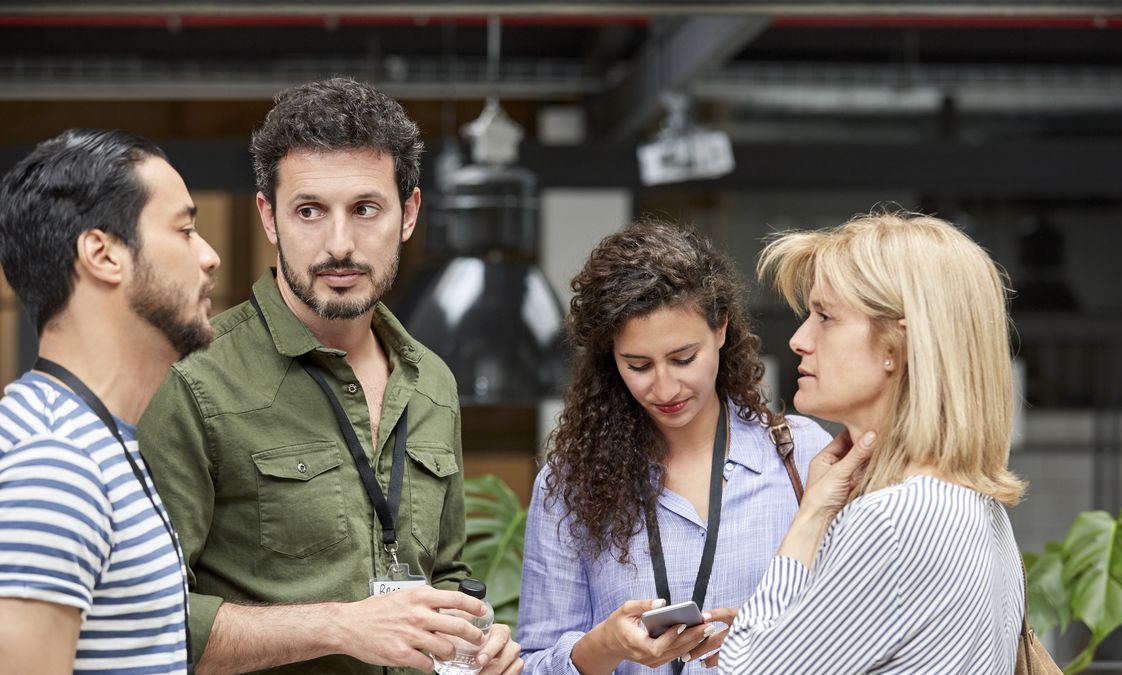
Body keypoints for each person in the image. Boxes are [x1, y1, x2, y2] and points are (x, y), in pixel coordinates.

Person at [137, 77, 522, 675]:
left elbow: (445, 575)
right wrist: (338, 626)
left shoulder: (434, 383)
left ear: (409, 213)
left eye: (366, 209)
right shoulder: (194, 380)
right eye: (310, 211)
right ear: (269, 217)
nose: (339, 245)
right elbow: (147, 621)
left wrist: (477, 642)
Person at [719, 211, 1028, 673]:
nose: (800, 339)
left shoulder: (891, 521)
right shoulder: (977, 506)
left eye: (825, 316)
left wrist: (810, 517)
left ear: (894, 346)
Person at [518, 220, 832, 674]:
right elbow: (533, 663)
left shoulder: (801, 455)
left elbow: (860, 627)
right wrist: (606, 645)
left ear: (721, 329)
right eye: (638, 365)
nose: (665, 388)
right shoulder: (569, 485)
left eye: (683, 359)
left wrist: (770, 644)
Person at [0, 128, 221, 672]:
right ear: (102, 254)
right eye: (185, 230)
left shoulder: (96, 441)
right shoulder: (55, 464)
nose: (209, 256)